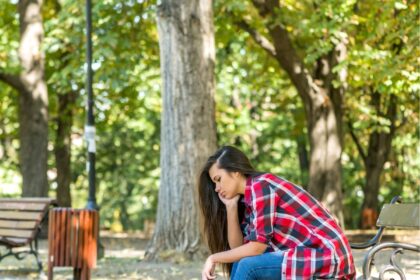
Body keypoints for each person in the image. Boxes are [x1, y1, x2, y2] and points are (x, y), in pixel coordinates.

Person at [198, 145, 355, 280]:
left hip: (328, 256)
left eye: (218, 179)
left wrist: (214, 258)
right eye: (214, 183)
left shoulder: (262, 186)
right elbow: (239, 248)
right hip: (309, 255)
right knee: (242, 261)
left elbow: (256, 248)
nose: (217, 188)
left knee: (248, 266)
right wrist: (230, 207)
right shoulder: (249, 199)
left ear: (235, 171)